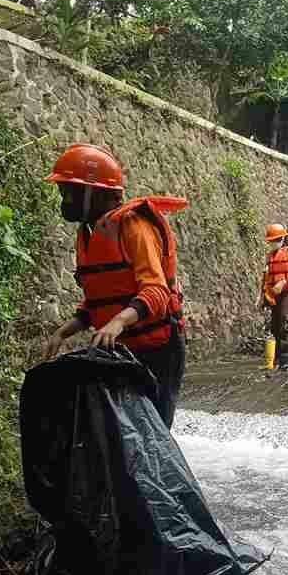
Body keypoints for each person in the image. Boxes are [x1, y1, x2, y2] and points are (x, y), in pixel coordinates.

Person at [41, 144, 188, 428]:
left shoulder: (134, 226)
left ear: (93, 193)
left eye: (69, 192)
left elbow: (156, 292)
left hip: (159, 349)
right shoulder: (87, 234)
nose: (64, 200)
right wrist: (64, 331)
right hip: (121, 349)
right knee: (119, 435)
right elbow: (98, 302)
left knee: (153, 434)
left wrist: (117, 323)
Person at [259, 224, 288, 371]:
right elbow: (266, 279)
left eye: (276, 239)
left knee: (287, 326)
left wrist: (285, 282)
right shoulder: (270, 257)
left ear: (282, 239)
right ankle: (280, 360)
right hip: (274, 295)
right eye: (271, 240)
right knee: (275, 328)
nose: (273, 243)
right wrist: (262, 297)